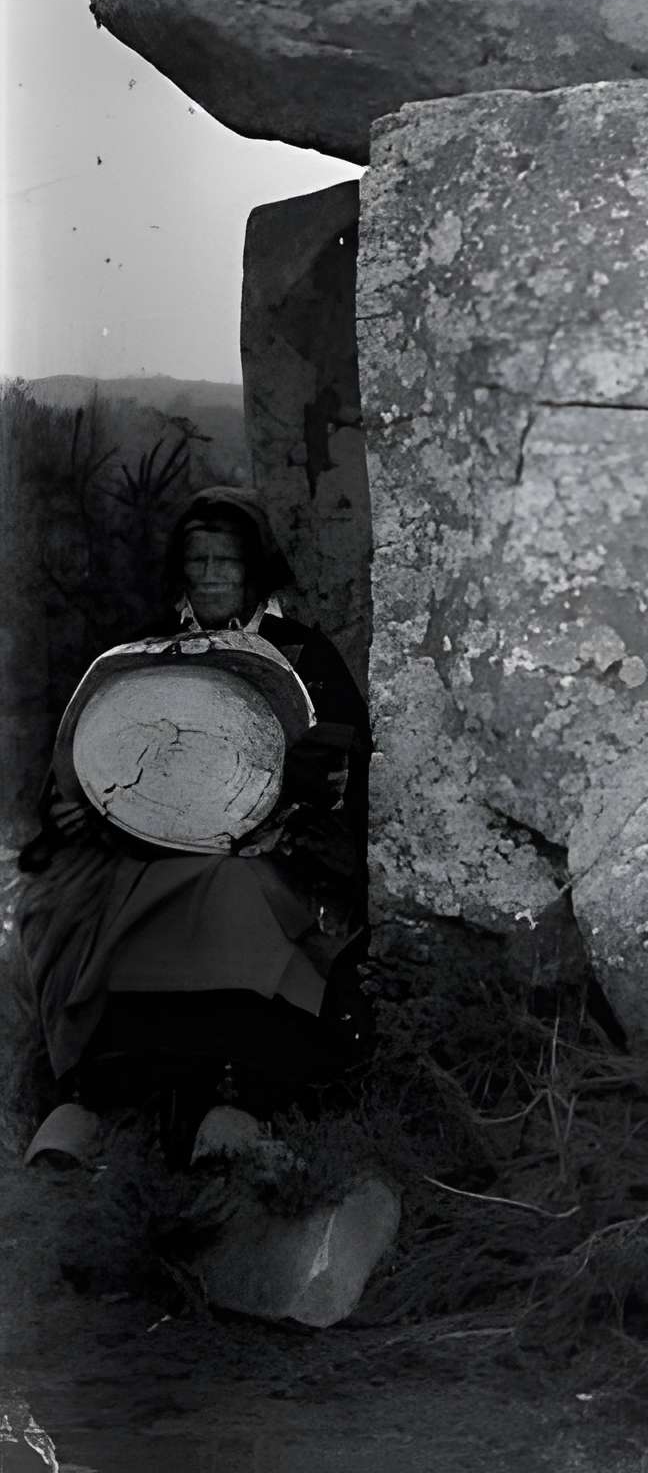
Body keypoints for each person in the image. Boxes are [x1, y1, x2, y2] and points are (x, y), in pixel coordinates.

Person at [14, 486, 373, 1169]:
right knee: (73, 900)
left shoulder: (301, 655)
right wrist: (73, 809)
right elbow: (91, 756)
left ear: (254, 571)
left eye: (226, 563)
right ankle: (85, 1098)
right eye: (198, 561)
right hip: (140, 845)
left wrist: (278, 784)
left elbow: (337, 775)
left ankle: (232, 1099)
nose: (209, 576)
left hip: (267, 847)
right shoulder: (150, 653)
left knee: (229, 895)